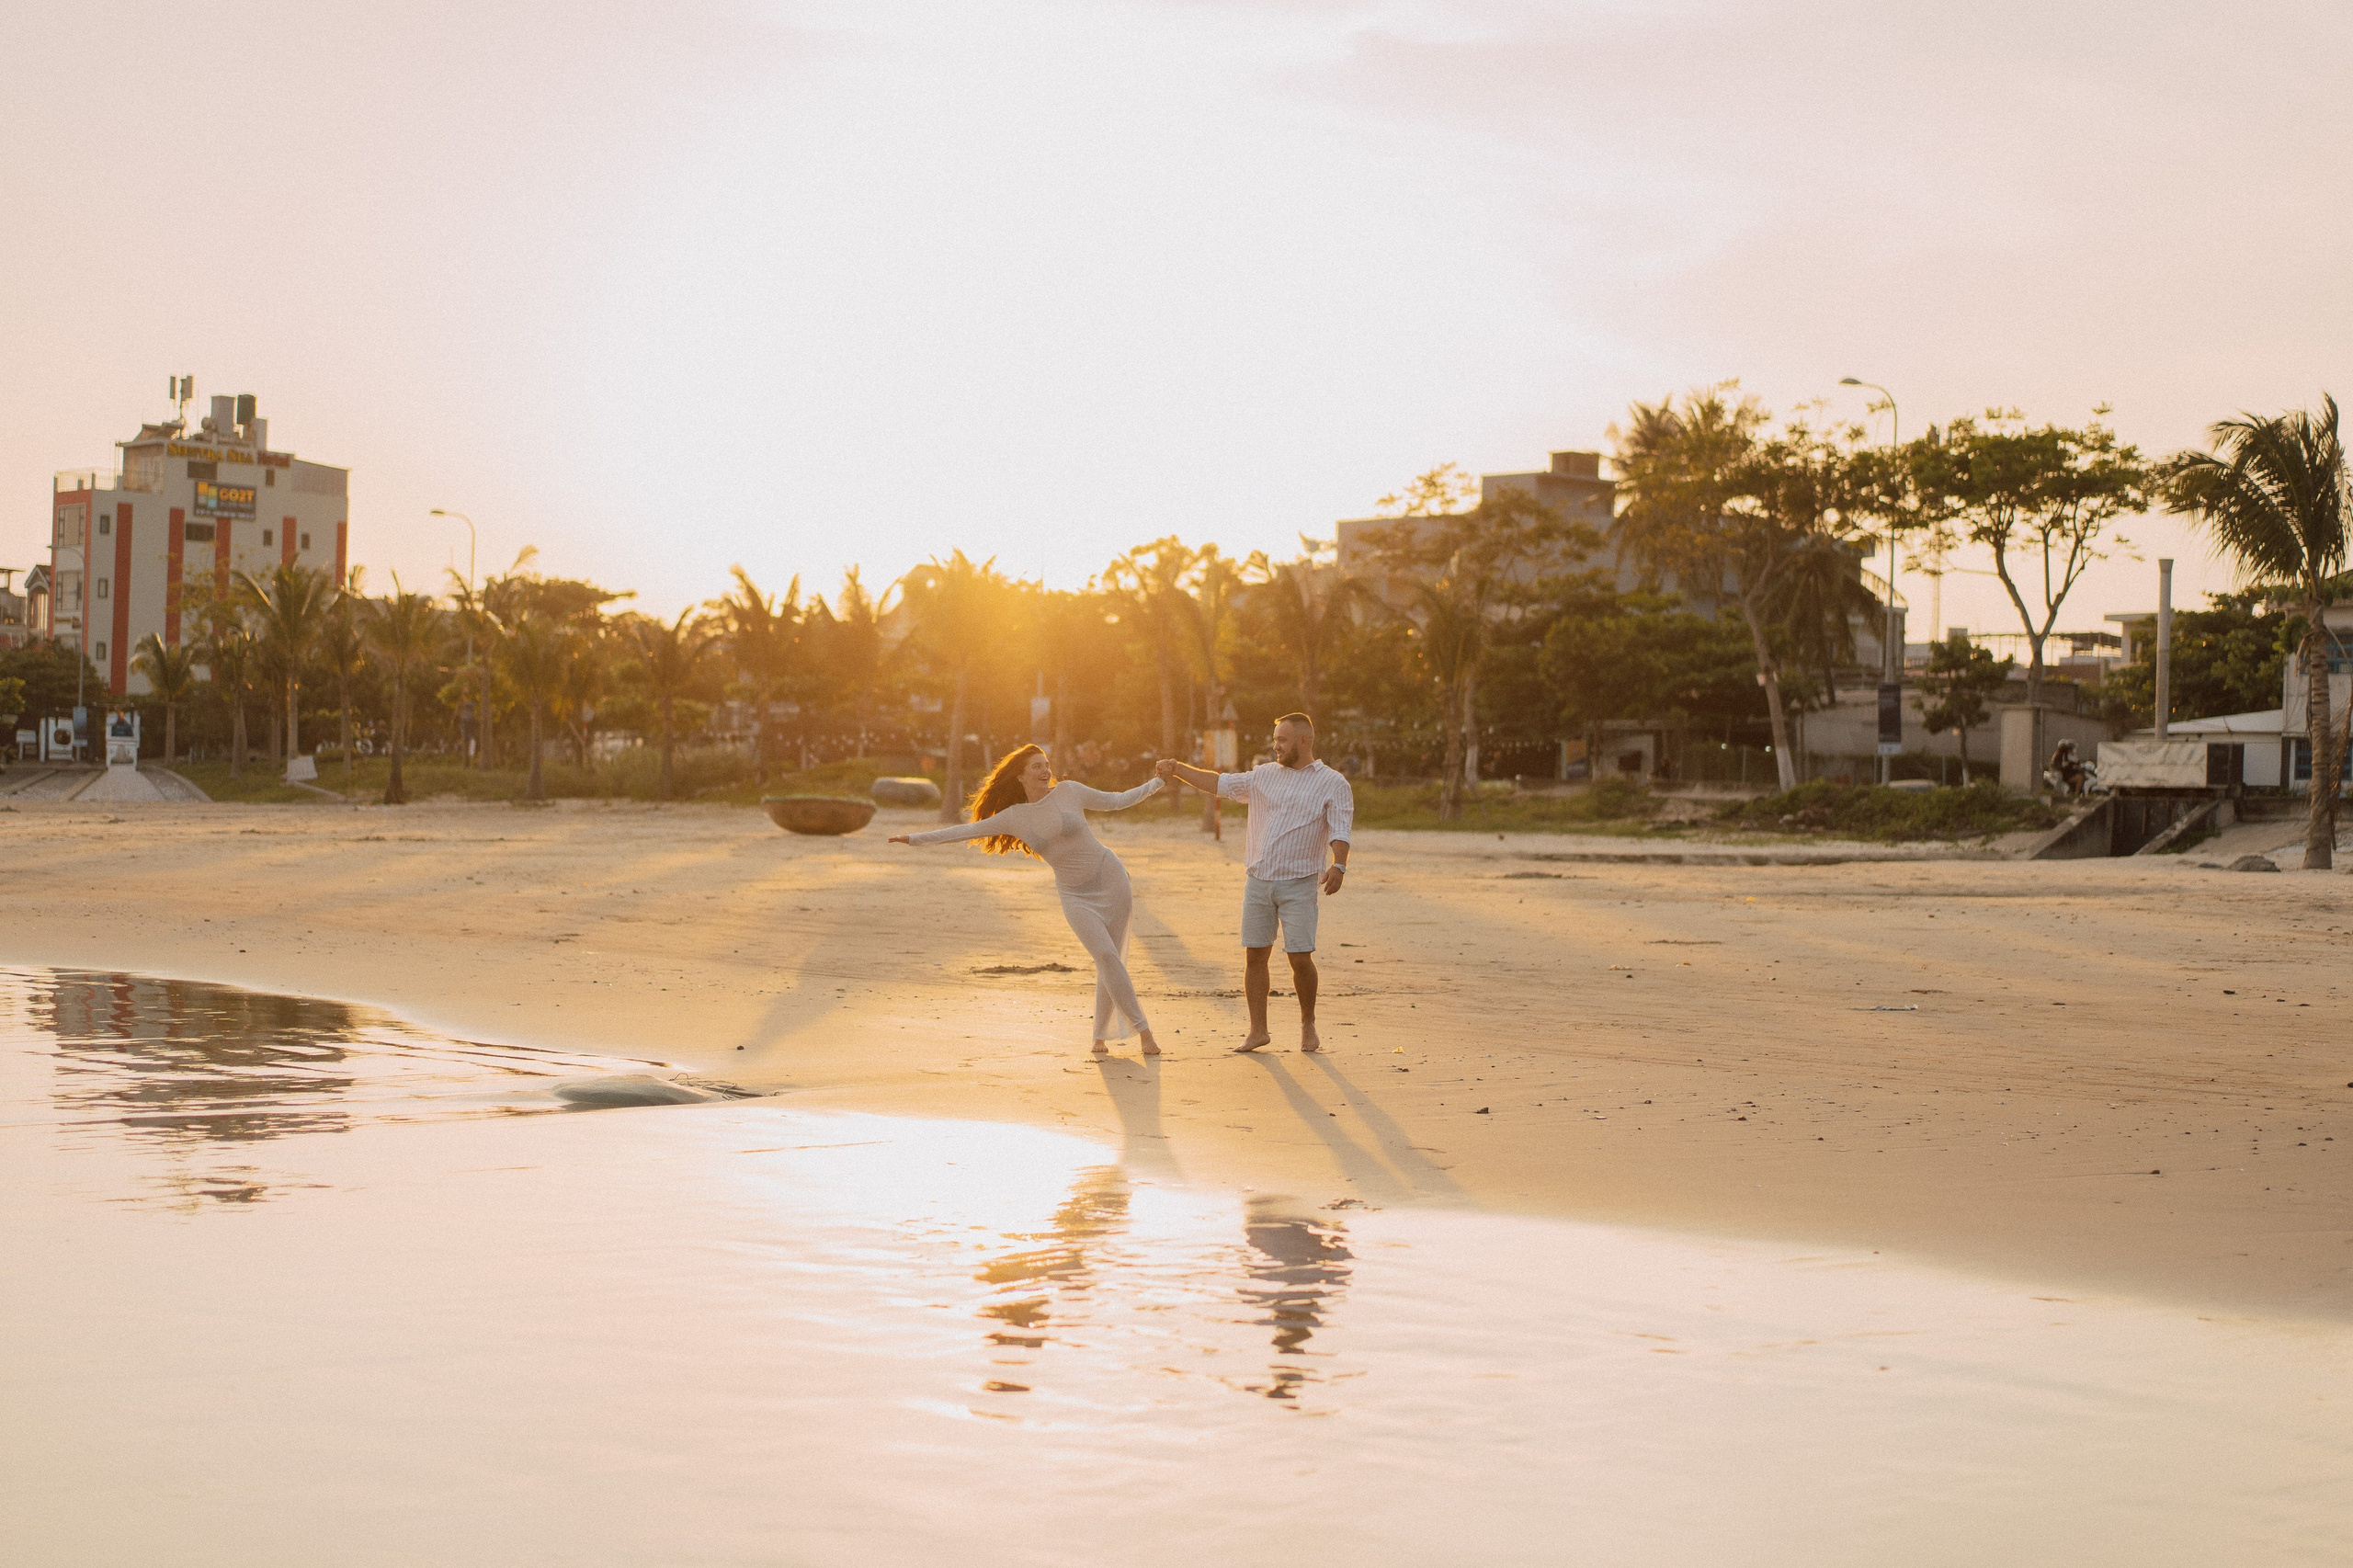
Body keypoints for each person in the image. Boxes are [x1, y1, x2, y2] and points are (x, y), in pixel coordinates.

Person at [892, 744, 1166, 1056]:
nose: (1045, 771)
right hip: (1074, 894)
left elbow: (1117, 801)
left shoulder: (1069, 791)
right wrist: (914, 840)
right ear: (1020, 776)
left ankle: (1110, 1037)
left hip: (1110, 878)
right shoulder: (1015, 817)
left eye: (1046, 764)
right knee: (1104, 955)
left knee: (1110, 959)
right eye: (1036, 766)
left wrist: (1156, 783)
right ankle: (1141, 1030)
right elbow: (967, 831)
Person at [1156, 711, 1352, 1053]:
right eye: (1275, 739)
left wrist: (1339, 865)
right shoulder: (1263, 776)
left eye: (1282, 740)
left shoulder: (1333, 783)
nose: (1275, 746)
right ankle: (1258, 1030)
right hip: (1259, 881)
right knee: (1255, 956)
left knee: (1300, 957)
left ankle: (1308, 1026)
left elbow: (1339, 829)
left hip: (1300, 882)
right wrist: (1178, 769)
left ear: (1304, 741)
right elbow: (1219, 783)